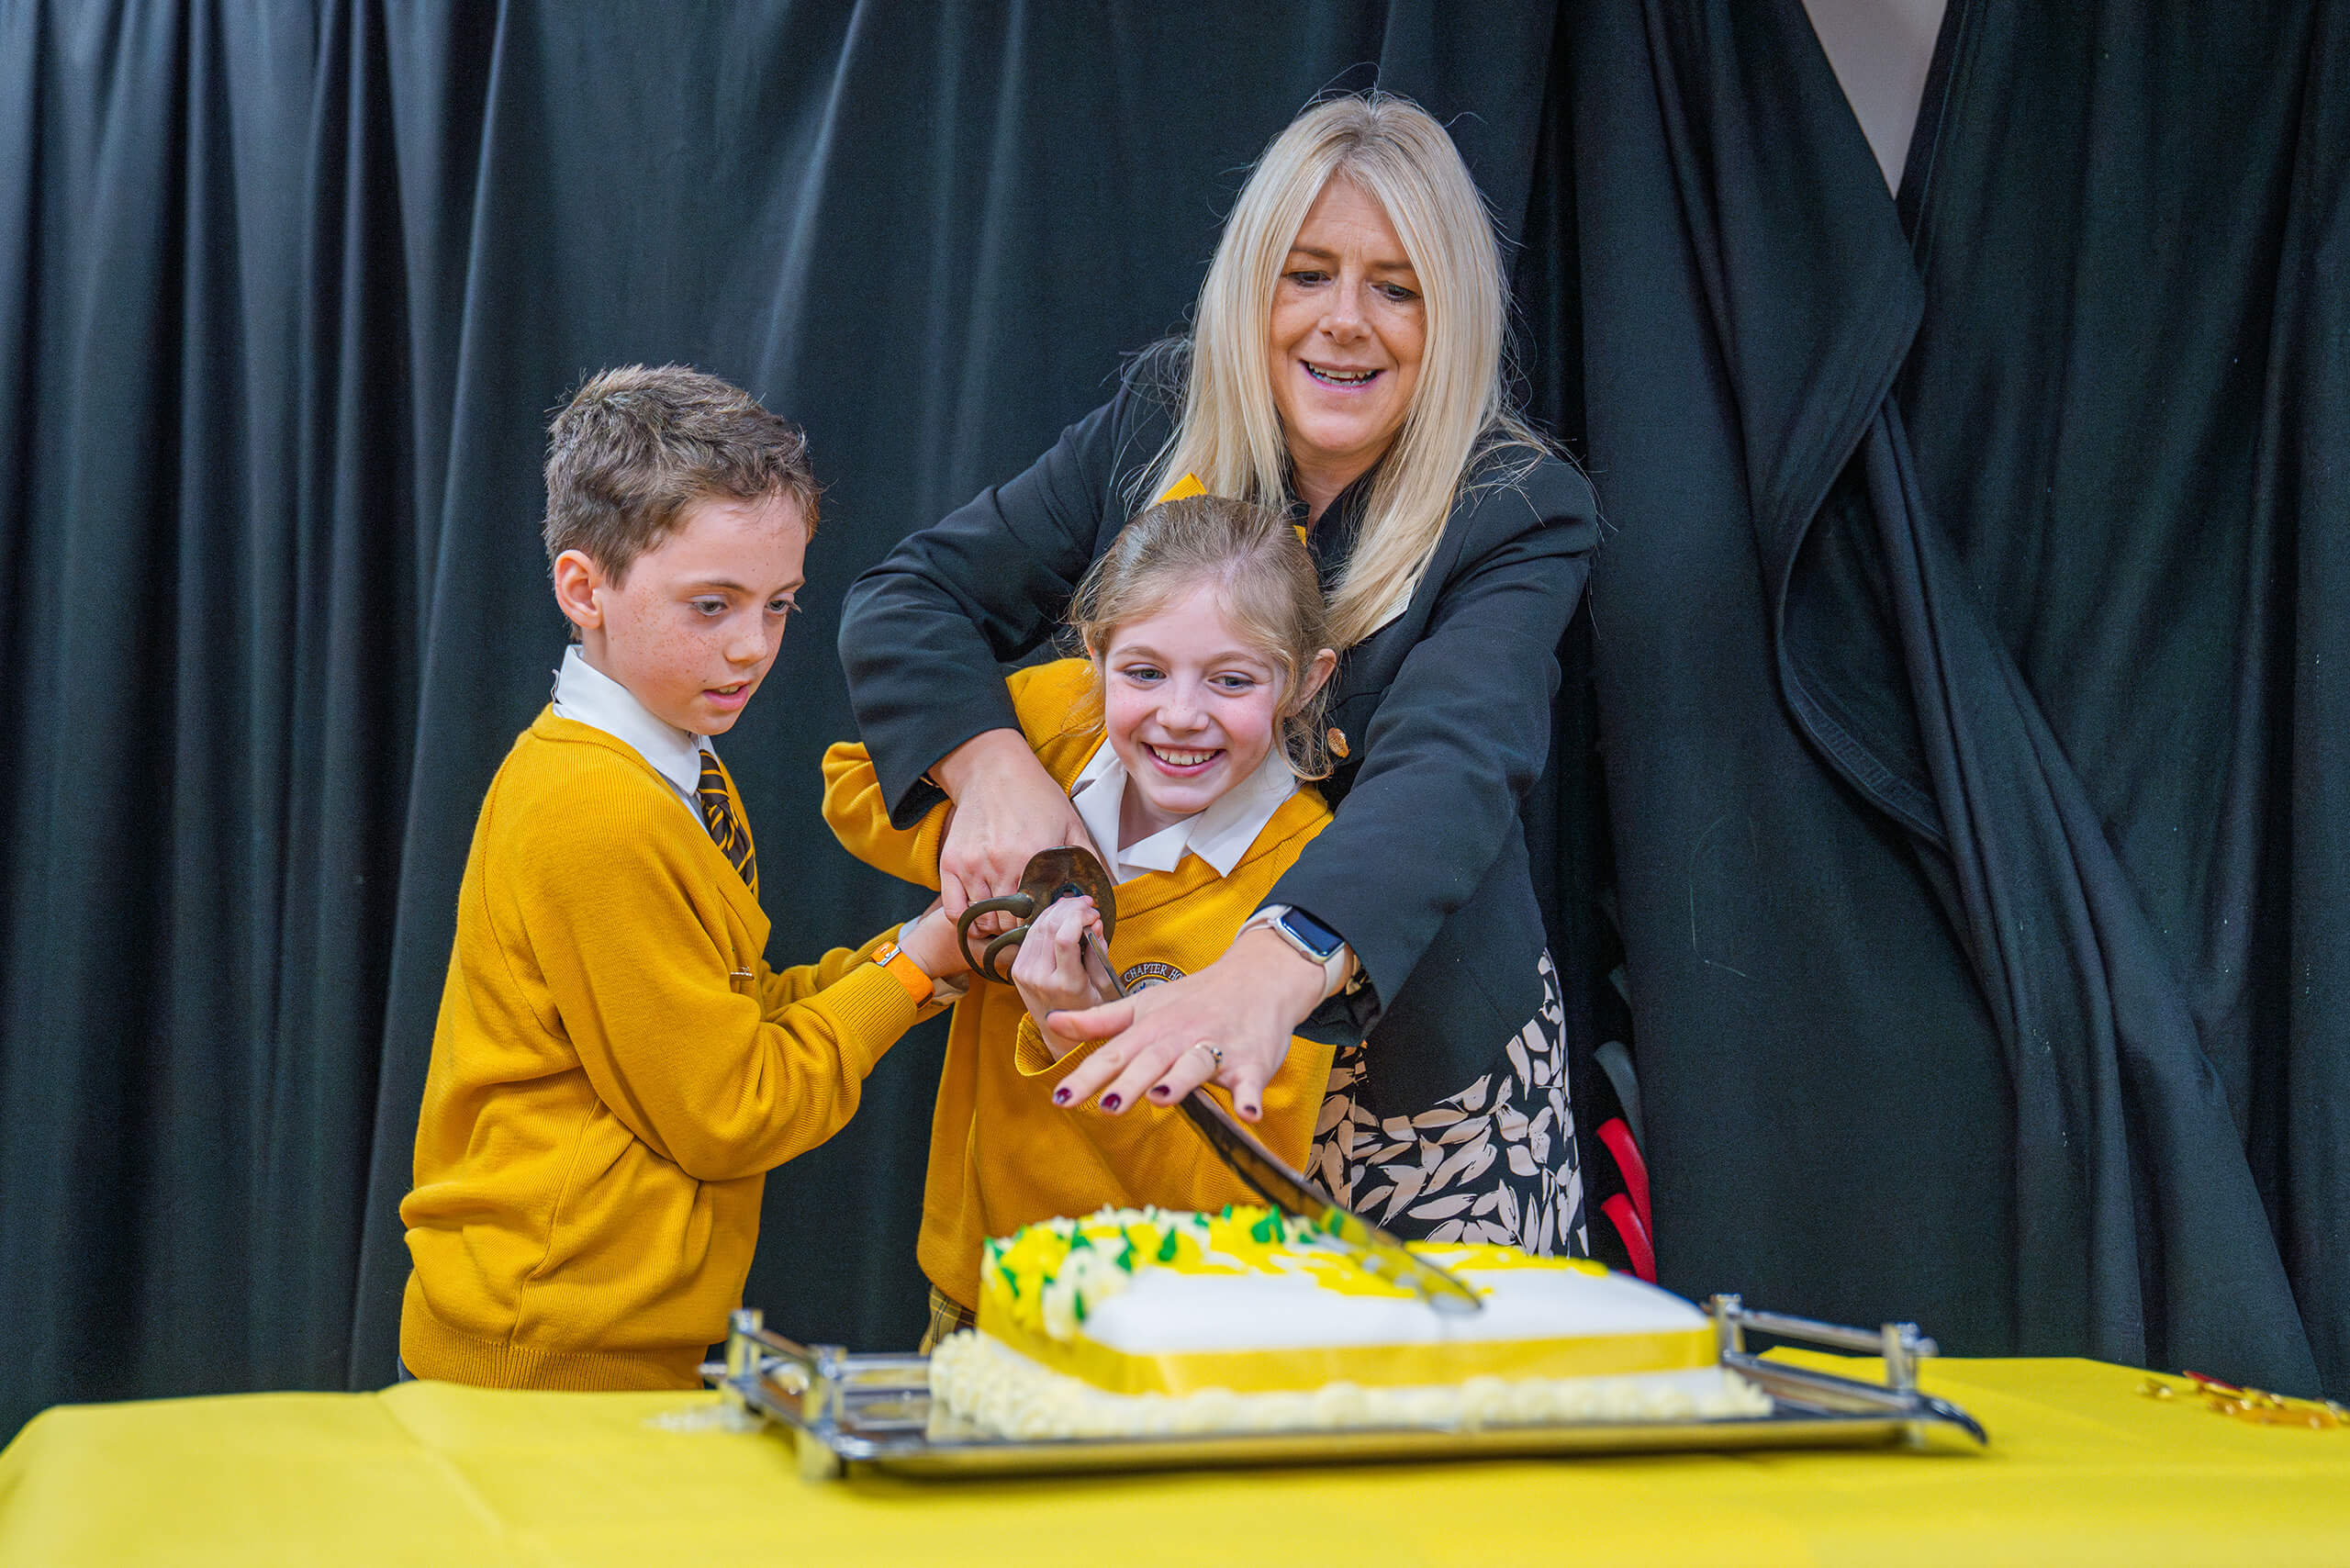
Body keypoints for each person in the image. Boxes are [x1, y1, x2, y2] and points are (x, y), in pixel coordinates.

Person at [839, 93, 1601, 1259]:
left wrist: (1275, 963)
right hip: (1164, 1066)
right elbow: (909, 601)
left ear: (1449, 316)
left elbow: (1450, 763)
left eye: (1395, 288)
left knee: (1408, 1428)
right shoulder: (1157, 419)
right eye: (1308, 275)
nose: (1345, 322)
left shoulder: (1518, 508)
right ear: (1253, 287)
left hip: (1408, 1091)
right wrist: (992, 772)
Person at [399, 364, 968, 1390]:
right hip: (548, 1356)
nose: (751, 648)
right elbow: (731, 1109)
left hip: (604, 1335)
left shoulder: (677, 764)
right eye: (711, 605)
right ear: (586, 589)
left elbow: (728, 1020)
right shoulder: (600, 808)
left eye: (780, 605)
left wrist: (925, 948)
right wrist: (916, 970)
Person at [823, 494, 1340, 1338]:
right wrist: (996, 812)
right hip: (975, 1288)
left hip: (1151, 1331)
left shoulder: (1307, 887)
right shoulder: (1056, 722)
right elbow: (849, 780)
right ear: (1095, 654)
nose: (1179, 714)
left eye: (1232, 680)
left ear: (1305, 680)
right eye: (1143, 673)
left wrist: (1079, 1039)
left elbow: (1231, 1199)